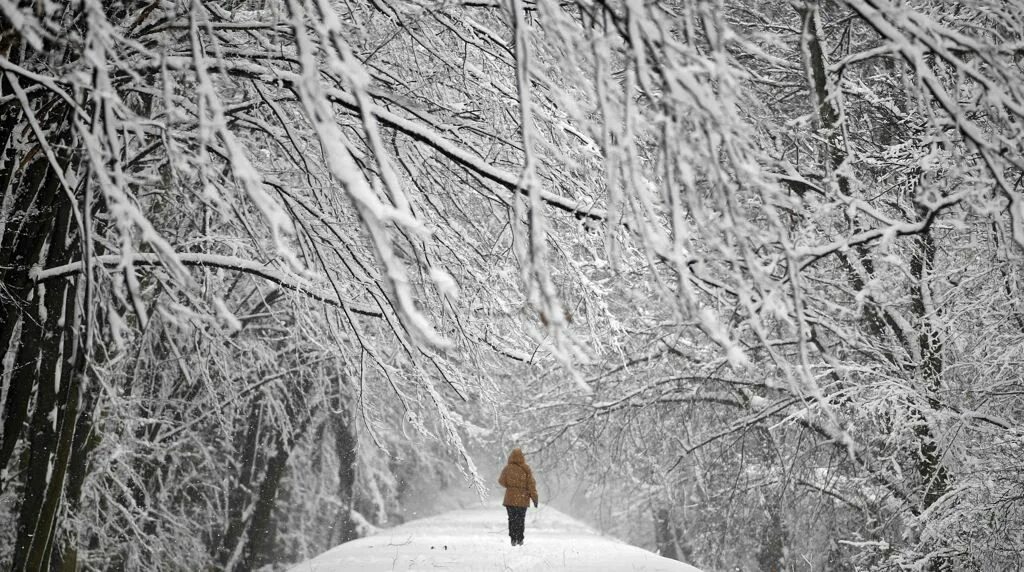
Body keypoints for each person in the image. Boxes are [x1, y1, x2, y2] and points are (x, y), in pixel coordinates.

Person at [497, 447, 538, 546]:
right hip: (523, 498)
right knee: (520, 519)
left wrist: (510, 486)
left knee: (511, 518)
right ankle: (520, 538)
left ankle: (513, 538)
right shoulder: (526, 468)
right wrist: (535, 498)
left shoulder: (507, 468)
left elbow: (501, 481)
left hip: (510, 499)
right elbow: (531, 484)